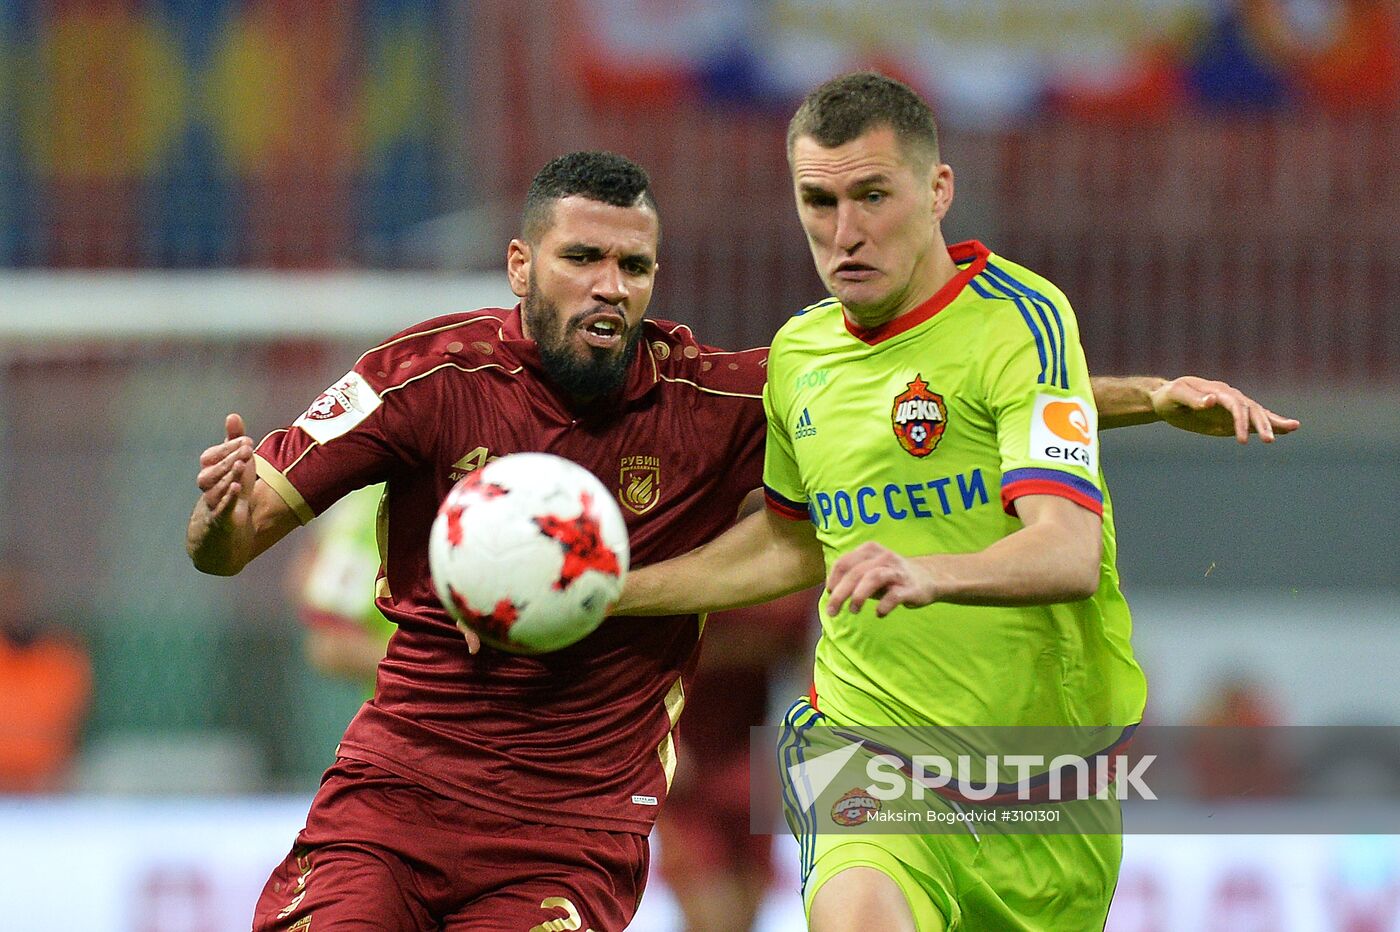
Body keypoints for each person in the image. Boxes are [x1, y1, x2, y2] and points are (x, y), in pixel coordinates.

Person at [189, 149, 1294, 930]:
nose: (608, 288)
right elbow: (235, 539)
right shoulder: (422, 376)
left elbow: (949, 394)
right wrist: (214, 518)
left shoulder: (715, 397)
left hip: (568, 830)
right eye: (581, 260)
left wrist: (1148, 395)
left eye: (633, 267)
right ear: (521, 267)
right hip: (396, 795)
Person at [616, 73, 1299, 931]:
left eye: (872, 195)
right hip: (867, 748)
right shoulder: (800, 354)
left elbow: (1065, 551)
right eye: (817, 201)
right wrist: (616, 595)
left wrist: (927, 571)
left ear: (938, 191)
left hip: (1046, 788)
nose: (845, 232)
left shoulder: (1021, 319)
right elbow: (790, 546)